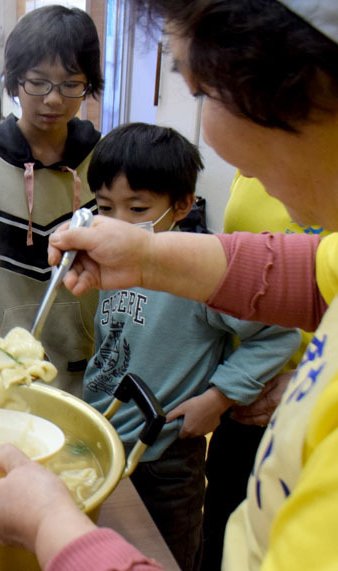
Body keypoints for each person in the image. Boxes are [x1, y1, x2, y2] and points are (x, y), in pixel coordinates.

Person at [0, 1, 338, 569]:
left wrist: (49, 523)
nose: (220, 148)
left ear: (297, 90)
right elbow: (308, 271)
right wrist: (149, 254)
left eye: (206, 91)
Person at [84, 123, 300, 570]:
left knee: (168, 556)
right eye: (106, 208)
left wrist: (218, 398)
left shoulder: (202, 269)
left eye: (137, 208)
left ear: (181, 206)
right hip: (104, 437)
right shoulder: (109, 258)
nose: (117, 224)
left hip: (166, 455)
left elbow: (279, 336)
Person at [201, 173, 331, 570]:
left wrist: (310, 380)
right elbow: (292, 271)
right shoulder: (257, 171)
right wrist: (148, 254)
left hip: (302, 403)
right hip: (244, 396)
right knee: (222, 525)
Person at [0, 5, 103, 397]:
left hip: (91, 365)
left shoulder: (104, 162)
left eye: (70, 84)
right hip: (9, 367)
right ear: (14, 83)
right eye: (38, 82)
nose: (53, 99)